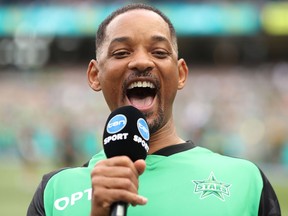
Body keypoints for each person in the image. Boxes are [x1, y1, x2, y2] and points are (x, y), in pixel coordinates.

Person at [27, 3, 281, 216]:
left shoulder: (246, 182)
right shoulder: (55, 191)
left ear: (181, 74)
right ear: (95, 75)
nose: (140, 62)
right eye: (121, 52)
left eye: (159, 52)